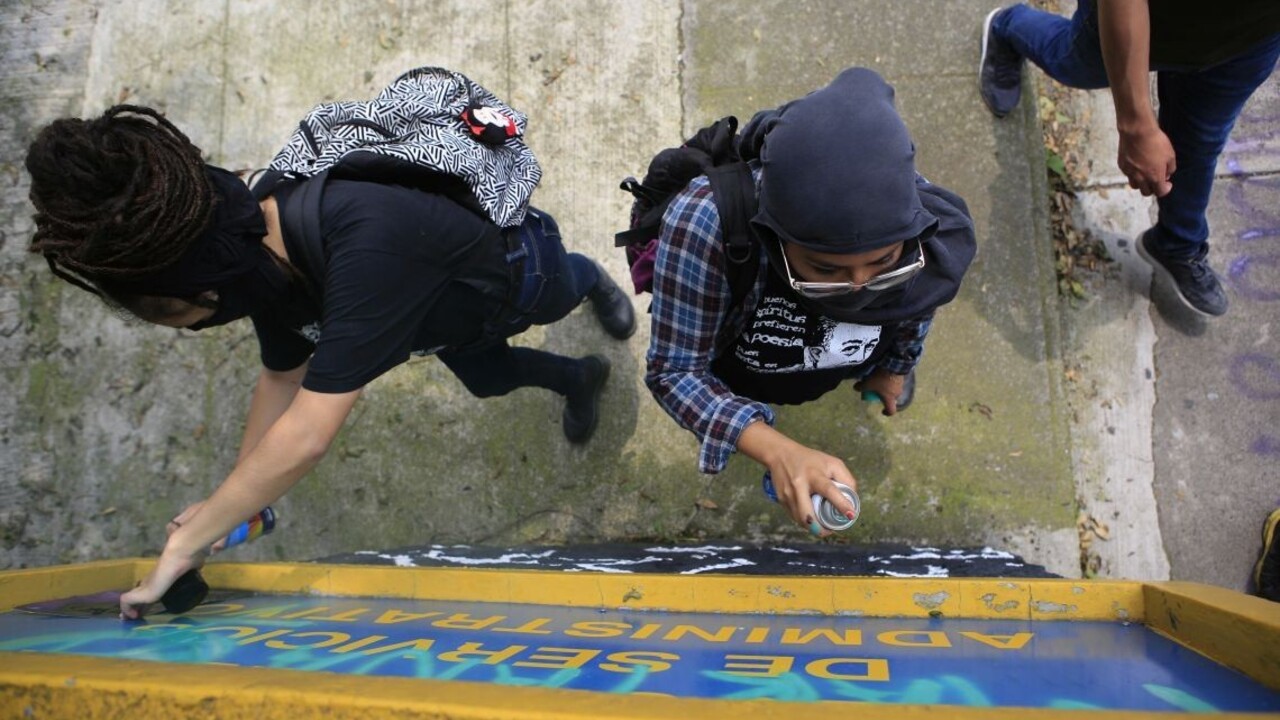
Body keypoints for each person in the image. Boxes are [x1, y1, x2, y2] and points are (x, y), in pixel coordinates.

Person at [23, 105, 636, 618]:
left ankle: (592, 279)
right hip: (441, 318)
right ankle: (579, 376)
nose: (186, 329)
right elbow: (282, 375)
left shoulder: (366, 241)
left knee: (562, 287)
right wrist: (231, 504)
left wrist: (191, 539)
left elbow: (309, 431)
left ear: (204, 286)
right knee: (489, 379)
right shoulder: (253, 257)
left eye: (174, 315)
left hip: (518, 275)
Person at [645, 68, 977, 537]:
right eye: (825, 269)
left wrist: (896, 366)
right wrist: (775, 449)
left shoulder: (907, 209)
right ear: (773, 235)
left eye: (884, 262)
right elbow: (675, 371)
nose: (860, 287)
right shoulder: (706, 223)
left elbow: (919, 301)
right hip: (748, 373)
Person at [979, 0, 1280, 317]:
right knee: (1069, 61)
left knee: (1200, 142)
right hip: (1150, 20)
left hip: (1253, 40)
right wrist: (1137, 125)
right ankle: (1008, 25)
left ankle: (1177, 244)